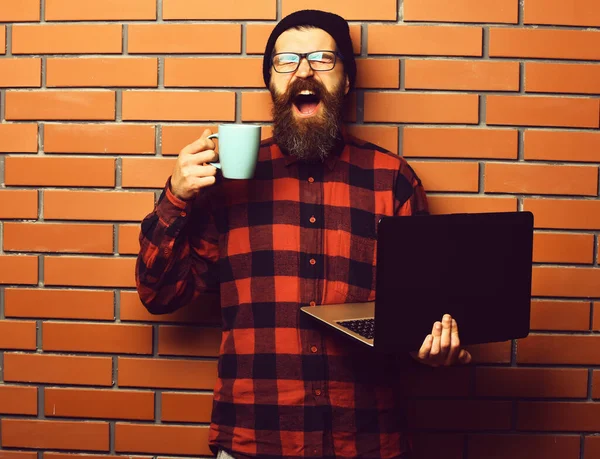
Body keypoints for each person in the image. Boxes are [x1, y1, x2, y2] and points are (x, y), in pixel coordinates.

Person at [135, 9, 472, 459]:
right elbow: (159, 294)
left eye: (321, 59)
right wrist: (176, 195)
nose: (303, 71)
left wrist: (433, 347)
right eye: (286, 61)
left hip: (367, 442)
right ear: (271, 85)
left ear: (347, 81)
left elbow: (419, 318)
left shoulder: (393, 180)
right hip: (253, 441)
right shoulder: (229, 183)